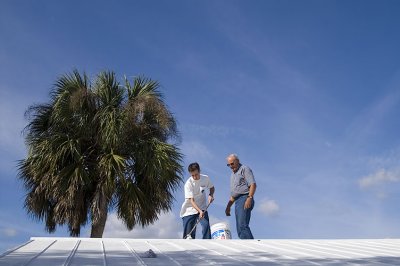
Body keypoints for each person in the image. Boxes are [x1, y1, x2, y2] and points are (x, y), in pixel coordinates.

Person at [225, 154, 257, 239]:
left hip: (245, 198)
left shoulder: (244, 169)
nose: (231, 166)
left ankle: (251, 246)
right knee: (239, 227)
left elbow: (253, 184)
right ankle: (247, 246)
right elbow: (234, 193)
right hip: (237, 201)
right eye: (229, 165)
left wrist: (249, 198)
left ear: (237, 161)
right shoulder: (232, 175)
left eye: (232, 163)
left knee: (242, 225)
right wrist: (228, 207)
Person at [180, 162, 215, 239]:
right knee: (188, 235)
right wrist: (199, 211)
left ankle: (207, 245)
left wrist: (211, 195)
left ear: (199, 171)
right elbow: (191, 201)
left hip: (202, 207)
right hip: (189, 210)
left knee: (206, 226)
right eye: (192, 175)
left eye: (196, 174)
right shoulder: (188, 184)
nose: (195, 177)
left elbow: (212, 188)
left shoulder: (205, 178)